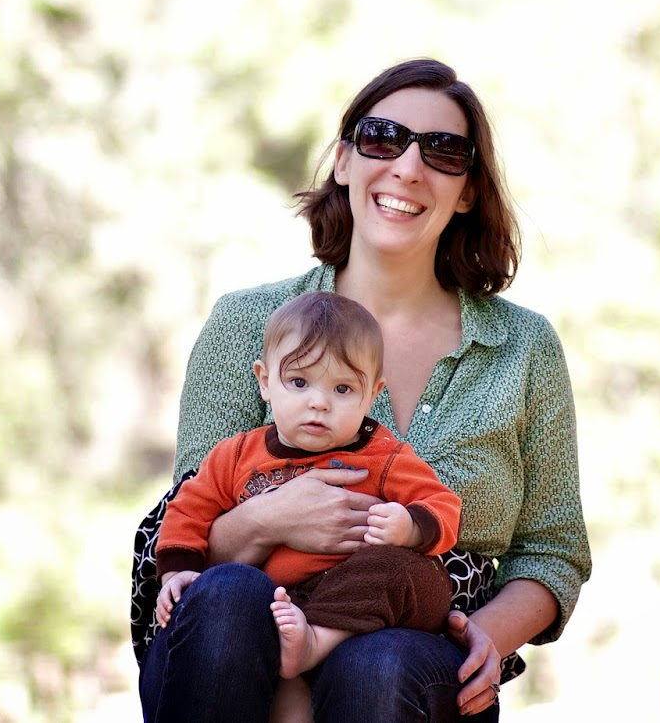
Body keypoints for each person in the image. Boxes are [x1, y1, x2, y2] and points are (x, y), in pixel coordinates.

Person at [133, 57, 590, 723]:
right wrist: (273, 518)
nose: (408, 167)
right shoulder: (246, 324)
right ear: (344, 161)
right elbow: (190, 527)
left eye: (444, 151)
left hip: (418, 656)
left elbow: (552, 550)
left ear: (467, 190)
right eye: (383, 138)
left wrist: (486, 637)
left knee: (379, 665)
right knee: (229, 596)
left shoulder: (523, 348)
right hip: (244, 649)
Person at [154, 290, 463, 679]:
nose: (319, 403)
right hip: (275, 604)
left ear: (372, 395)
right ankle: (298, 653)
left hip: (360, 603)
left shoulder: (384, 456)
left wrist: (411, 527)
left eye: (342, 389)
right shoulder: (236, 455)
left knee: (404, 569)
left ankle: (317, 640)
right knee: (235, 593)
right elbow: (188, 508)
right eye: (299, 381)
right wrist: (177, 571)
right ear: (265, 382)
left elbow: (443, 504)